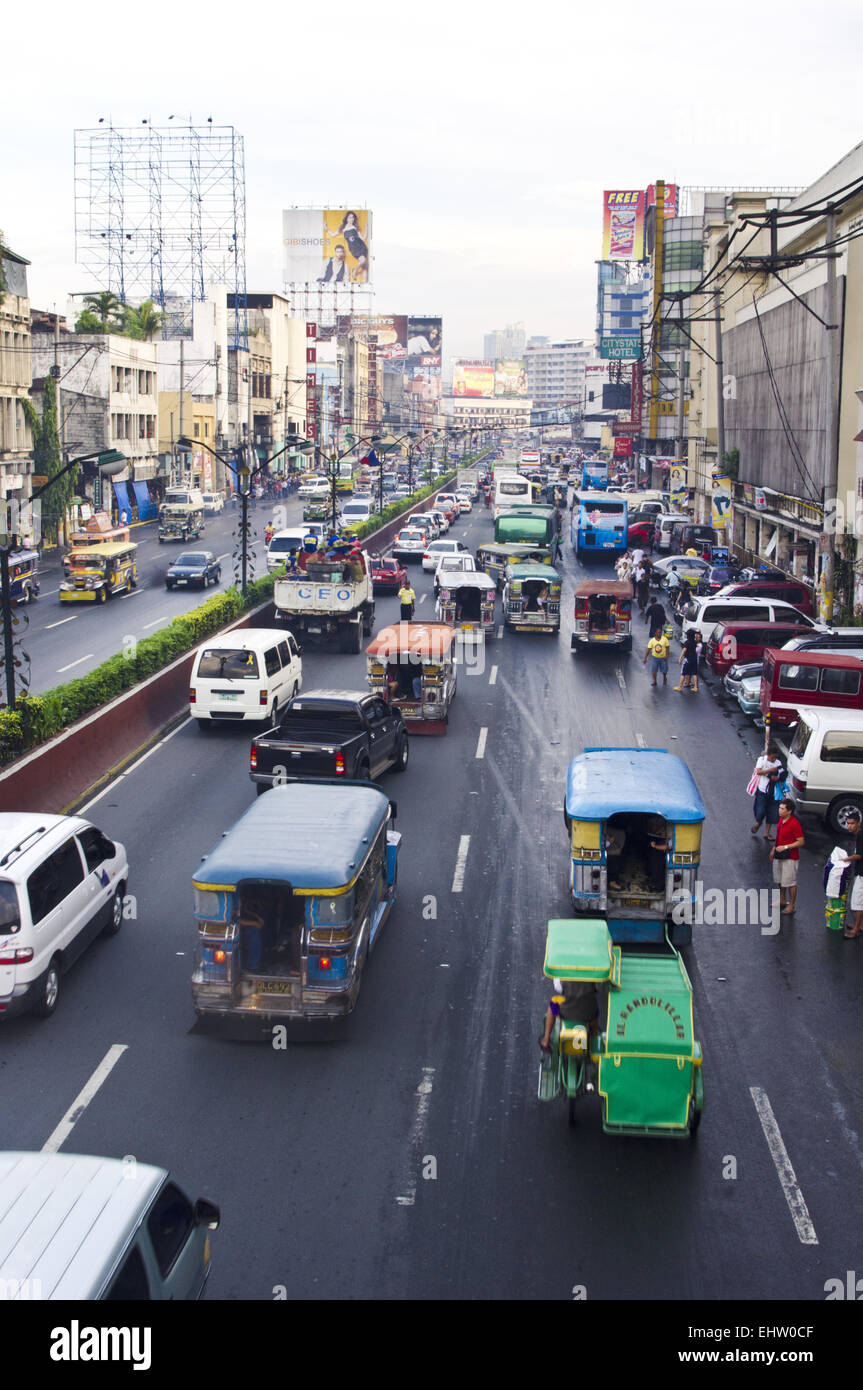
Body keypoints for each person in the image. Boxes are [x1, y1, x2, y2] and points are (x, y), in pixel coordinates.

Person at [539, 978, 600, 1053]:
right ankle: (595, 1039)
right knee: (594, 1016)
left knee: (553, 1005)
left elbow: (558, 988)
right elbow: (598, 987)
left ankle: (546, 1038)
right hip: (587, 1013)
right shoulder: (593, 973)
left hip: (566, 1013)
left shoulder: (562, 977)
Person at [770, 799, 805, 915]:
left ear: (789, 811)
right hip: (779, 854)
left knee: (790, 882)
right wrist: (773, 849)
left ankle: (791, 905)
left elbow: (800, 841)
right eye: (780, 808)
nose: (779, 810)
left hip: (790, 857)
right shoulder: (781, 820)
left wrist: (785, 847)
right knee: (780, 879)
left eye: (782, 809)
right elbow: (779, 836)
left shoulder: (794, 824)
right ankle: (782, 899)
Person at [751, 744, 783, 841]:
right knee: (760, 810)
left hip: (773, 793)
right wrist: (770, 771)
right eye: (772, 757)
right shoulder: (762, 760)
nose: (774, 760)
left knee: (771, 813)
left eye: (775, 758)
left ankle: (767, 833)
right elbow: (759, 772)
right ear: (768, 755)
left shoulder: (778, 763)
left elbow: (782, 773)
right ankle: (758, 822)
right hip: (762, 790)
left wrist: (778, 777)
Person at [840, 810, 863, 938]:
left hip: (862, 874)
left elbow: (859, 855)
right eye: (848, 823)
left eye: (852, 823)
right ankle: (860, 924)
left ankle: (856, 929)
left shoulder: (860, 836)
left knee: (858, 903)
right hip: (860, 873)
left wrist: (846, 859)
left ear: (858, 824)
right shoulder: (858, 835)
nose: (849, 826)